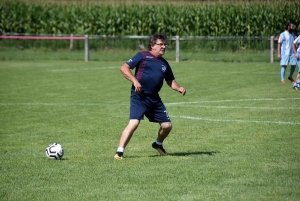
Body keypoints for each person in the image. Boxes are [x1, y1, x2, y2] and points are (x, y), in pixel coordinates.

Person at [114, 33, 186, 160]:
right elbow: (124, 68)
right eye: (161, 44)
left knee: (167, 126)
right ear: (152, 45)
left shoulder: (164, 63)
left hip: (154, 98)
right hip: (139, 96)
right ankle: (119, 152)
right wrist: (135, 81)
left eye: (165, 44)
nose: (163, 46)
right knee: (134, 123)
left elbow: (170, 81)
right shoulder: (142, 56)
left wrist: (178, 88)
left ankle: (158, 144)